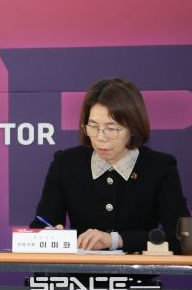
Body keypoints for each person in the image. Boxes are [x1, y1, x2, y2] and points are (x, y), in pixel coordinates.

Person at [30, 77, 190, 253]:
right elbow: (40, 226)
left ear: (133, 128)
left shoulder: (159, 167)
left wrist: (117, 240)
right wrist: (48, 235)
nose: (100, 137)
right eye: (93, 126)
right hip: (79, 269)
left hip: (136, 269)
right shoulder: (66, 164)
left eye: (111, 128)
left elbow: (184, 238)